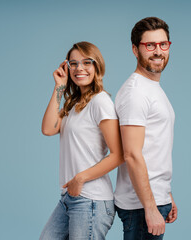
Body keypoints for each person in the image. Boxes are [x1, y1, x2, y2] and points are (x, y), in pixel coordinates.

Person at [40, 41, 124, 240]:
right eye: (73, 63)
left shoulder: (100, 101)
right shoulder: (73, 104)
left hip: (91, 199)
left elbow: (119, 154)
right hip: (69, 197)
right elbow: (48, 129)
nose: (79, 68)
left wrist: (80, 178)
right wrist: (59, 87)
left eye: (87, 62)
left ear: (97, 66)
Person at [114, 17, 178, 239]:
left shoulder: (152, 88)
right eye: (149, 45)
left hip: (153, 199)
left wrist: (166, 194)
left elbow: (154, 146)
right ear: (135, 49)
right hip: (139, 205)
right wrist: (150, 207)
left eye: (163, 44)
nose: (158, 51)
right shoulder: (136, 92)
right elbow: (131, 154)